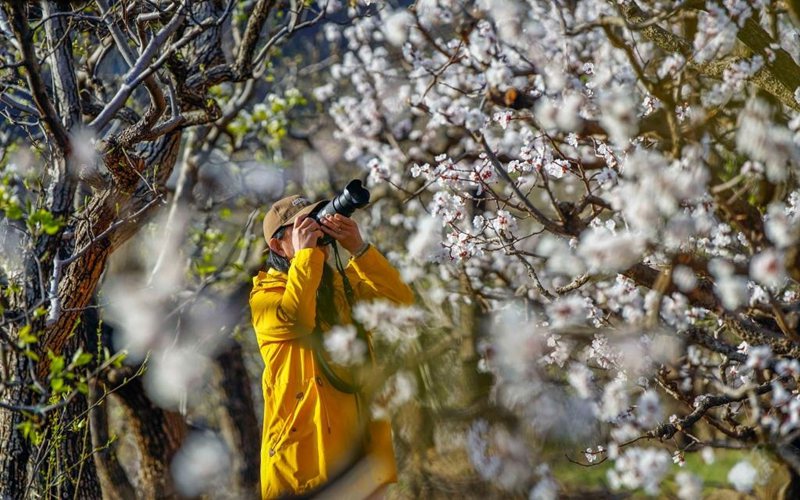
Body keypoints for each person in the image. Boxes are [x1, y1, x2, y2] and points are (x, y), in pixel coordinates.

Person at [249, 195, 414, 499]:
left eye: (317, 223)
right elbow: (298, 317)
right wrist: (305, 257)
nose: (317, 234)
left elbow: (403, 307)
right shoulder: (264, 299)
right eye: (303, 227)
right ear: (277, 246)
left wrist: (360, 250)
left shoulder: (342, 286)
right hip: (303, 472)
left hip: (359, 463)